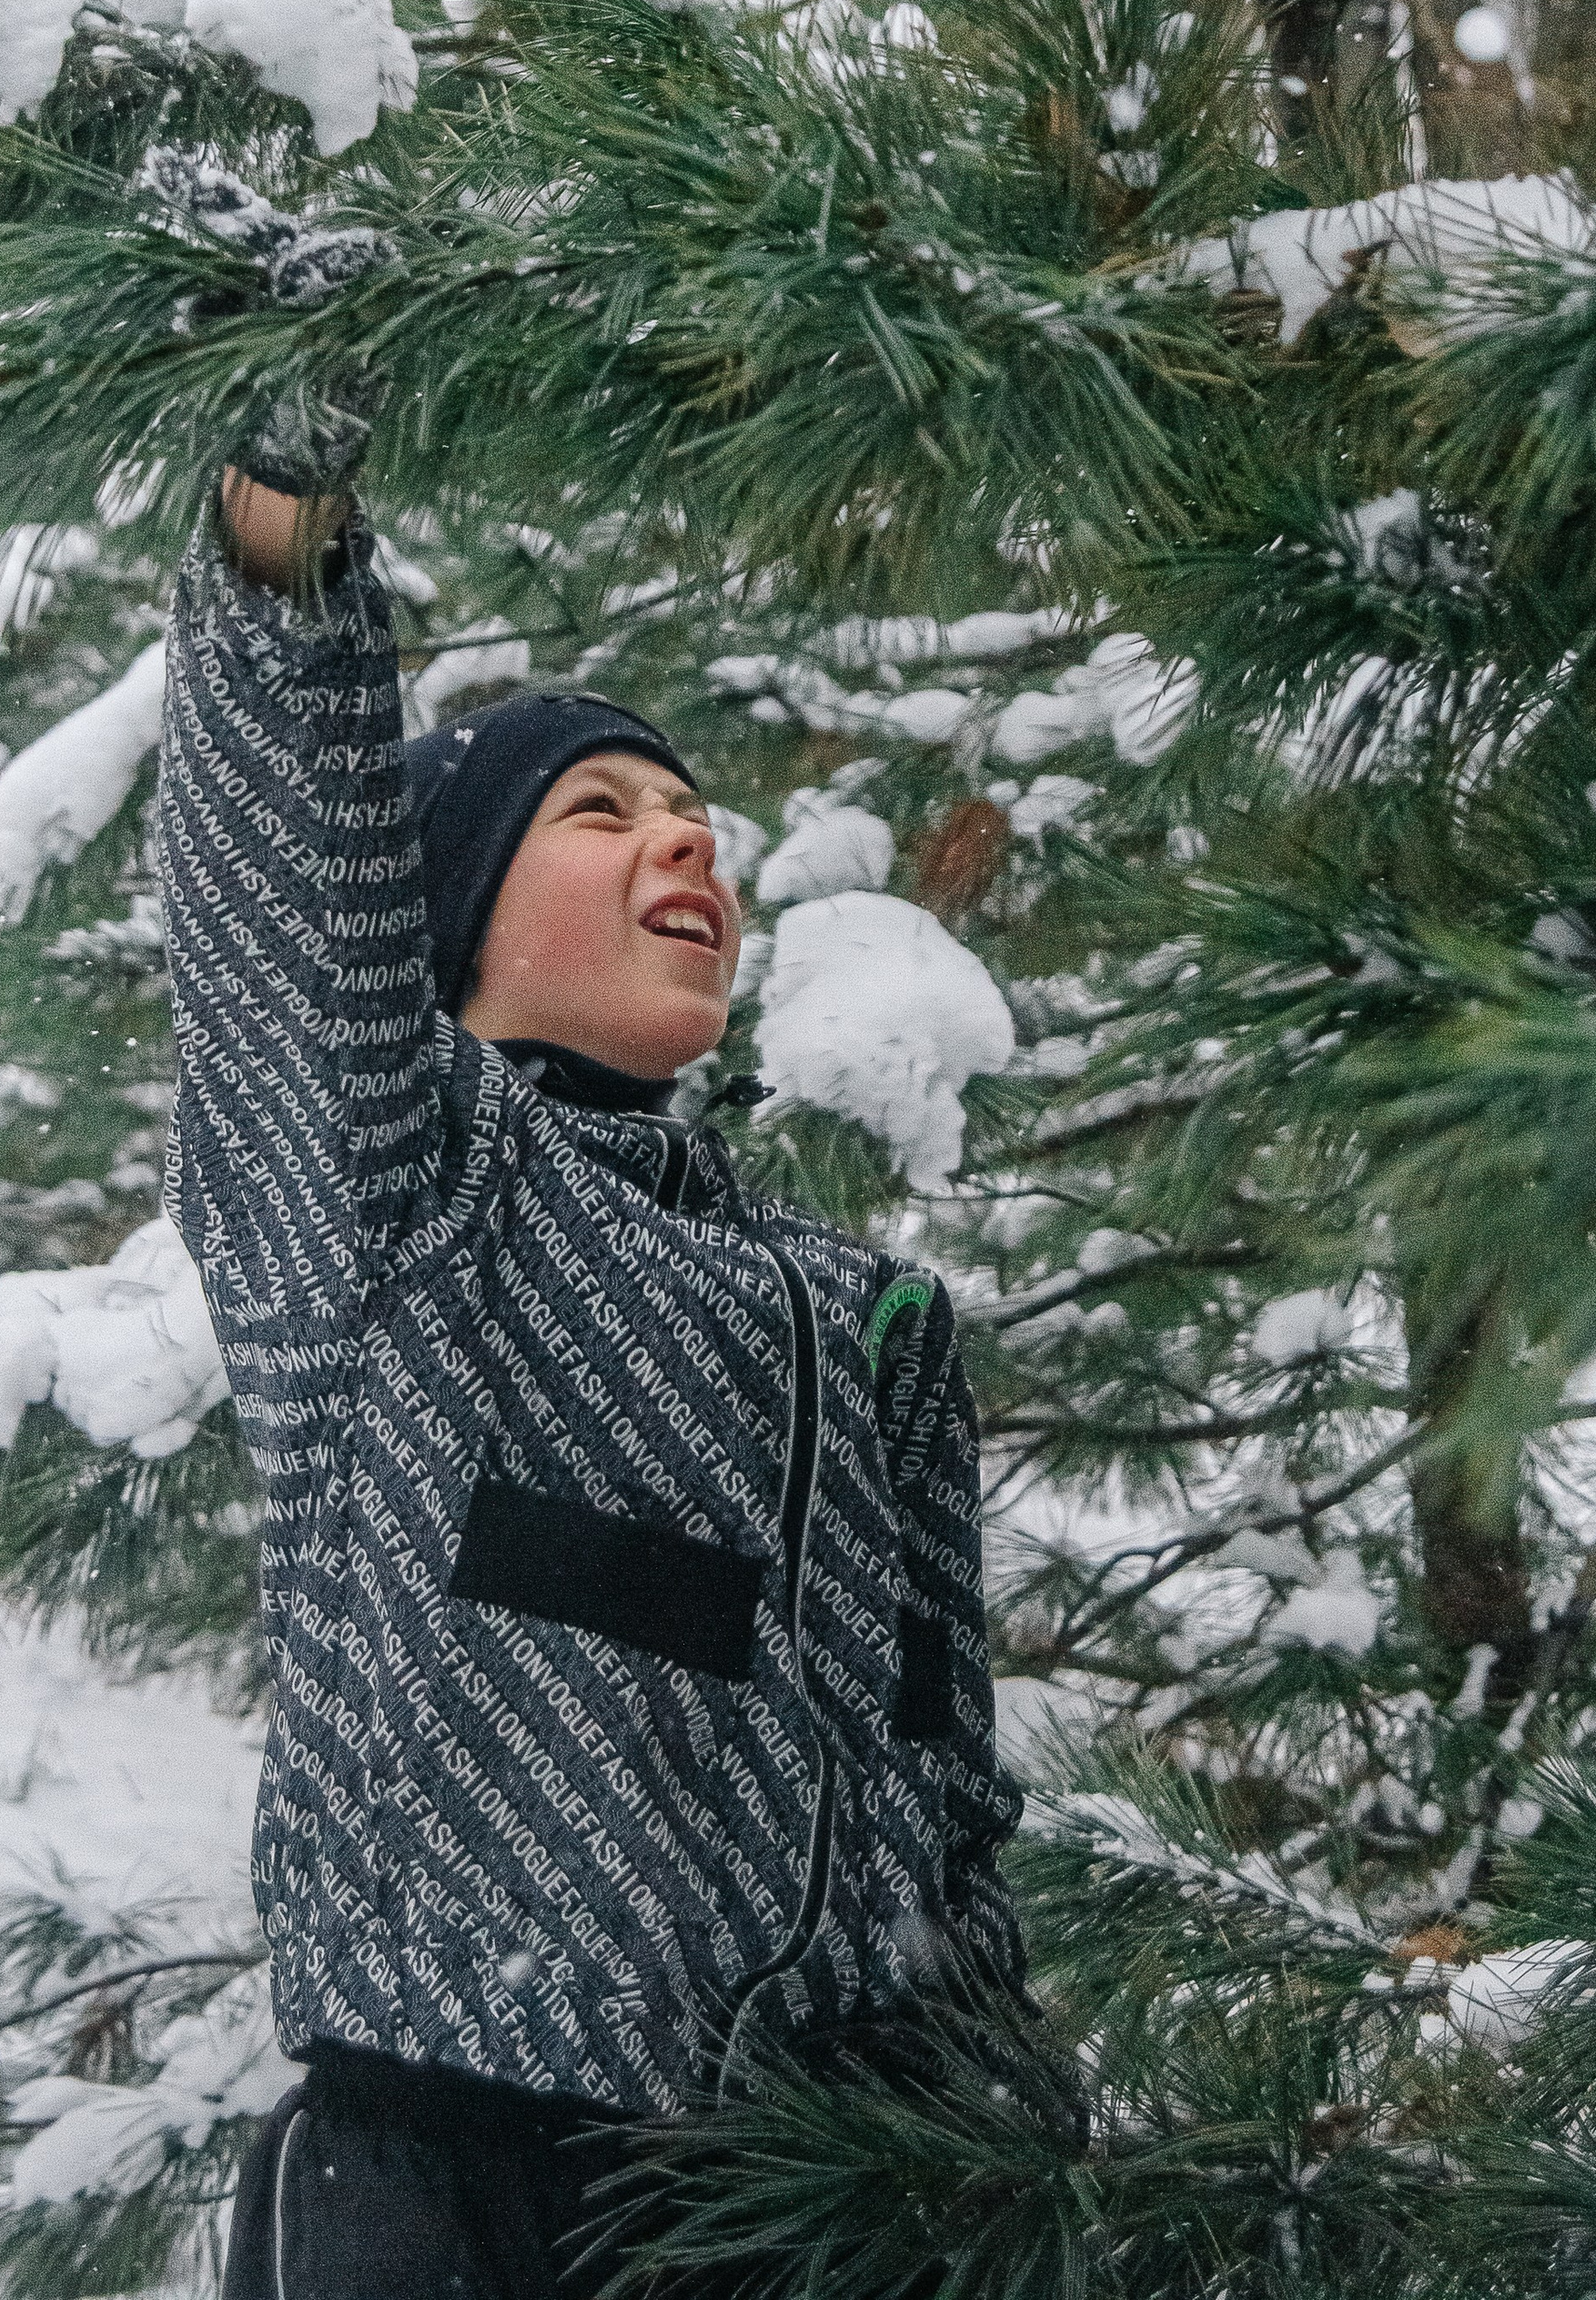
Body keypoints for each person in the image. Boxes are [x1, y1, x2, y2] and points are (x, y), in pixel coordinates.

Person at [156, 450, 1025, 2300]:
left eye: (695, 817)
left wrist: (1002, 2116)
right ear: (441, 923)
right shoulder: (393, 1210)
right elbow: (278, 899)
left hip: (840, 2191)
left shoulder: (857, 1320)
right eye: (599, 810)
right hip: (469, 2170)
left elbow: (945, 1792)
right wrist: (278, 530)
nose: (685, 842)